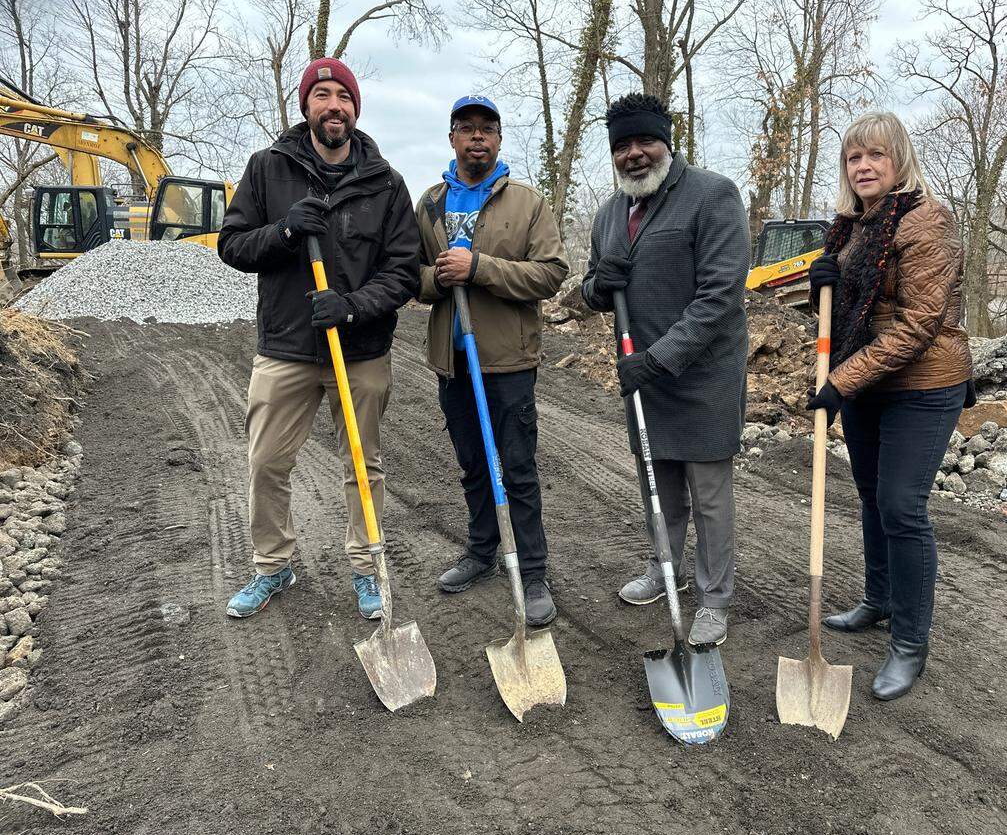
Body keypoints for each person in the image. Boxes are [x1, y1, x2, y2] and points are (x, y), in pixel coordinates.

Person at [218, 58, 420, 620]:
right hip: (286, 346)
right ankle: (273, 564)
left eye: (345, 97)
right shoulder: (267, 169)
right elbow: (232, 247)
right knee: (266, 460)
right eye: (323, 95)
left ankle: (367, 568)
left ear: (356, 109)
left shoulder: (386, 183)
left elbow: (403, 270)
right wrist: (284, 231)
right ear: (306, 106)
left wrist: (352, 307)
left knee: (363, 463)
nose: (335, 106)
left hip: (360, 350)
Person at [806, 110, 974, 700]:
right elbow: (848, 307)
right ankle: (878, 600)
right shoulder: (853, 223)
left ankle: (908, 642)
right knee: (873, 497)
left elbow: (919, 324)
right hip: (869, 383)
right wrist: (820, 280)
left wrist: (840, 381)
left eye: (876, 155)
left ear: (899, 159)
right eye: (854, 157)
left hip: (924, 383)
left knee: (902, 505)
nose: (864, 166)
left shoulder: (926, 221)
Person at [581, 93, 749, 647]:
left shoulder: (712, 195)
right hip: (643, 380)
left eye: (643, 141)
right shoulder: (610, 213)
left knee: (709, 494)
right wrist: (598, 287)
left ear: (666, 142)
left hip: (701, 377)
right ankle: (663, 569)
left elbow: (719, 297)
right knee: (659, 486)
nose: (633, 154)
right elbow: (590, 290)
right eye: (621, 146)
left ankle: (715, 597)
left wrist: (658, 360)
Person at [415, 95, 569, 625]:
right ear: (452, 137)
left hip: (507, 361)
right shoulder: (430, 203)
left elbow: (550, 274)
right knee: (472, 466)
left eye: (487, 129)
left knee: (518, 468)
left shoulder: (527, 204)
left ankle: (532, 571)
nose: (477, 137)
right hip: (453, 360)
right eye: (466, 128)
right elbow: (411, 276)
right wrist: (439, 277)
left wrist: (478, 266)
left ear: (499, 140)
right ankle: (482, 552)